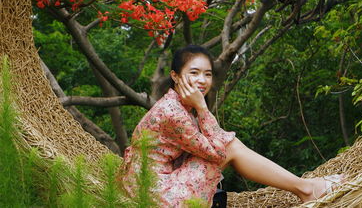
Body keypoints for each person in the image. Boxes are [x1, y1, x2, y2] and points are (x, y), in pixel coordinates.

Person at [119, 45, 343, 207]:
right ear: (175, 76)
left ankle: (305, 187)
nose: (202, 80)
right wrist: (203, 108)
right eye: (193, 73)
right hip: (155, 197)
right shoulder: (173, 112)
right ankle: (306, 189)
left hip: (150, 184)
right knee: (231, 147)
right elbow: (217, 153)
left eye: (207, 74)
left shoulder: (178, 104)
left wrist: (199, 108)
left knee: (230, 144)